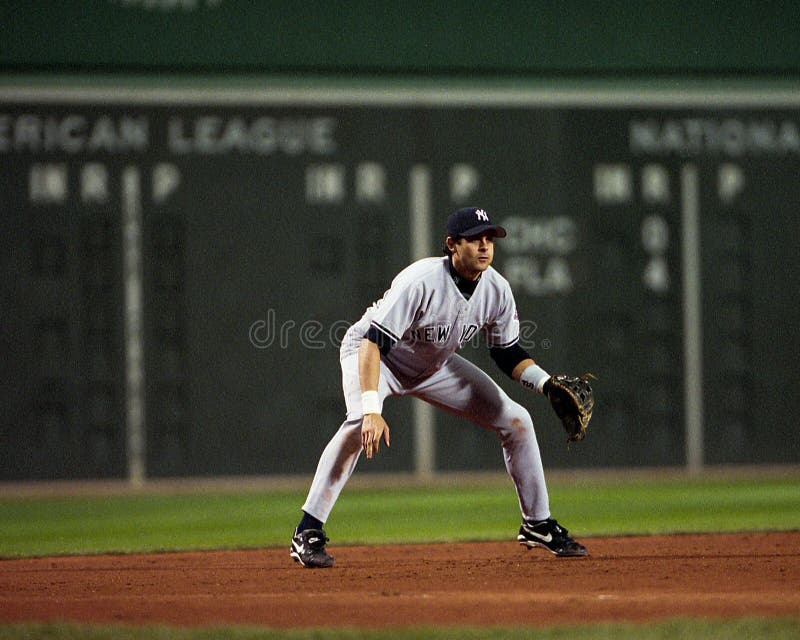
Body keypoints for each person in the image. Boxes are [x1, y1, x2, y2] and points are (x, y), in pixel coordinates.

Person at [290, 206, 588, 568]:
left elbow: (507, 352)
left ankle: (537, 523)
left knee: (517, 420)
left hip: (433, 365)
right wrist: (371, 409)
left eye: (489, 238)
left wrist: (545, 384)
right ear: (451, 244)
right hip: (375, 357)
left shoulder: (496, 289)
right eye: (474, 239)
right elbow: (372, 344)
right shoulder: (422, 280)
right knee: (357, 424)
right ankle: (307, 531)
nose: (484, 246)